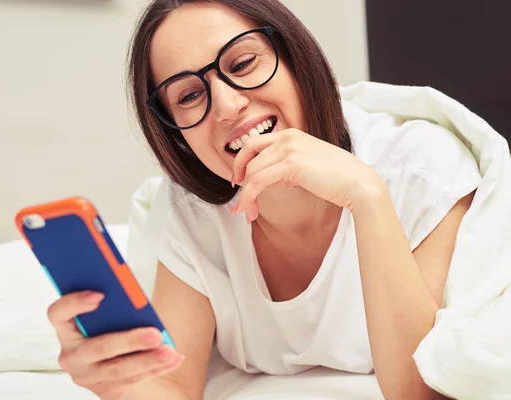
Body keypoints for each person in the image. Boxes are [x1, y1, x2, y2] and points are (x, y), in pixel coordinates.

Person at [46, 1, 482, 399]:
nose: (228, 106)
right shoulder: (194, 210)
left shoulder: (423, 170)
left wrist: (367, 197)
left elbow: (421, 392)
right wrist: (117, 383)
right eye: (189, 95)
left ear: (295, 59)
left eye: (243, 62)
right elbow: (171, 383)